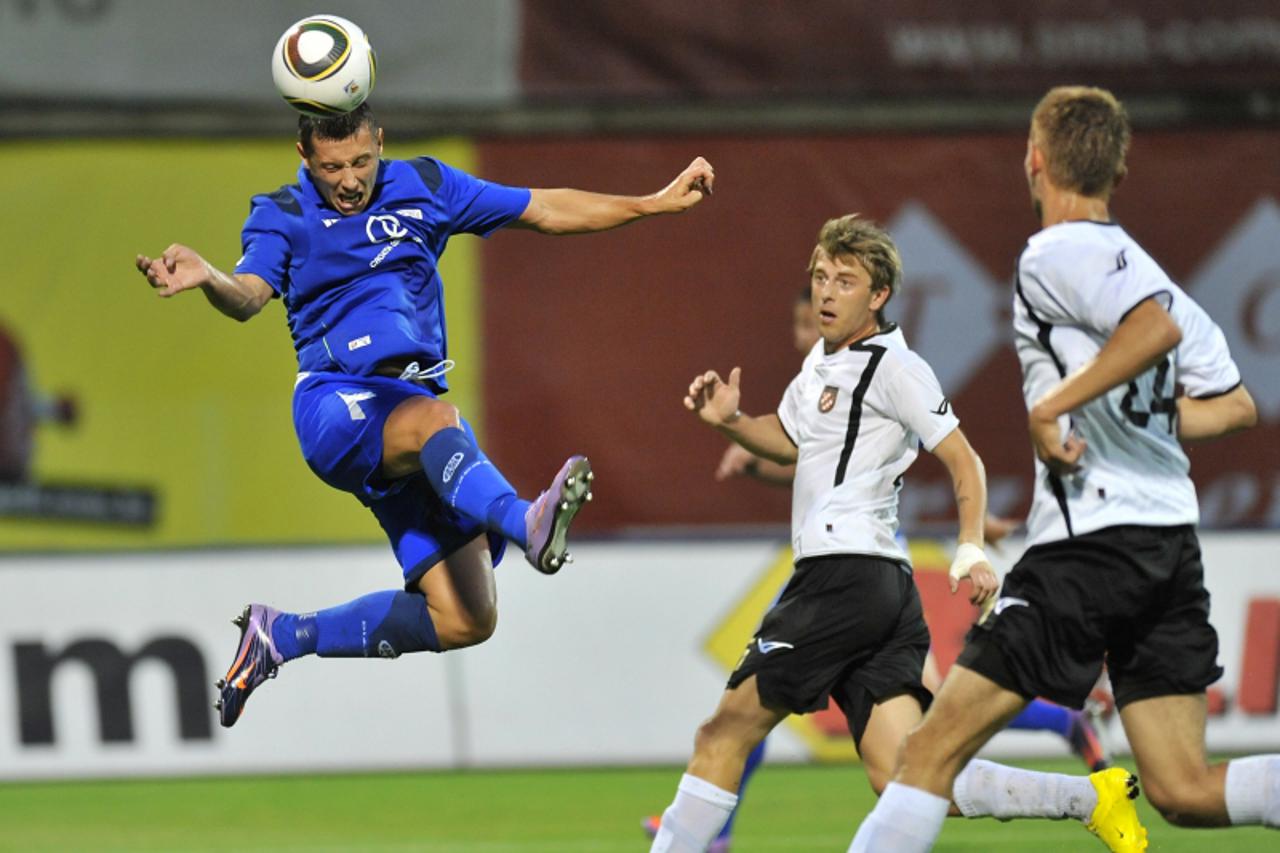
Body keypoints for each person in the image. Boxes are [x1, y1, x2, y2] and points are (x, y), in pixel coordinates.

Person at [135, 104, 715, 728]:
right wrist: (209, 277)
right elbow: (249, 295)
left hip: (412, 425)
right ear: (304, 158)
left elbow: (543, 208)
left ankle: (281, 637)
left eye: (361, 161)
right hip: (338, 405)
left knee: (465, 618)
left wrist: (651, 203)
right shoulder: (282, 213)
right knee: (438, 420)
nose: (350, 180)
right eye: (332, 168)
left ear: (380, 142)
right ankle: (529, 521)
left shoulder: (426, 186)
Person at [849, 85, 1275, 853]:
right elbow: (1236, 402)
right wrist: (1128, 412)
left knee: (923, 755)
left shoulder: (1053, 253)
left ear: (1035, 161)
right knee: (1181, 787)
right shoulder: (1148, 270)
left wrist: (1054, 409)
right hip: (1166, 545)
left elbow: (1153, 328)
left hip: (1088, 548)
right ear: (1119, 168)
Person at [648, 214, 1144, 853]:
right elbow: (790, 439)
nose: (826, 292)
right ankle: (1090, 797)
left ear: (878, 296)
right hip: (879, 588)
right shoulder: (823, 363)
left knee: (723, 734)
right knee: (905, 774)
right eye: (821, 277)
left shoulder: (896, 367)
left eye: (845, 281)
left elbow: (964, 459)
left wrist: (969, 546)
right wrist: (733, 421)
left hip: (842, 575)